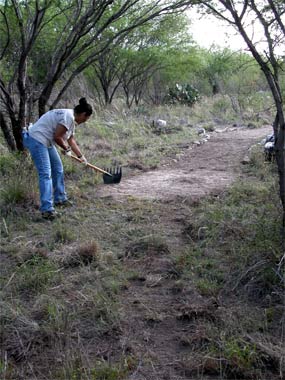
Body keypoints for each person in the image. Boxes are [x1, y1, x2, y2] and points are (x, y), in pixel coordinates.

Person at [22, 97, 93, 220]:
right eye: (86, 118)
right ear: (83, 114)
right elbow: (58, 137)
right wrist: (66, 149)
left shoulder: (71, 118)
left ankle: (60, 199)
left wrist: (81, 157)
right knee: (45, 174)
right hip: (37, 139)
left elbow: (71, 139)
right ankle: (47, 210)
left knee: (58, 168)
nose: (85, 121)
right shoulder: (68, 117)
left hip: (46, 140)